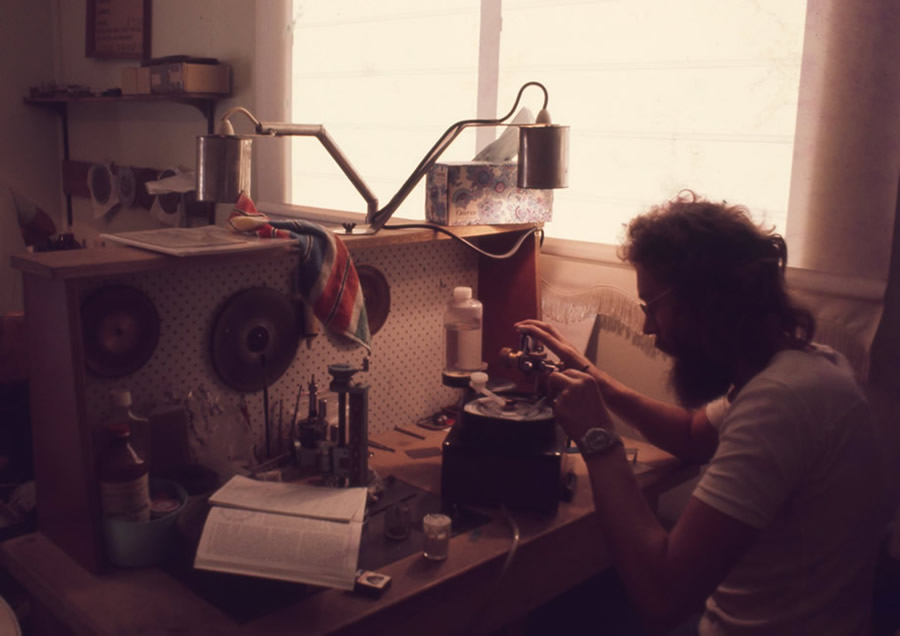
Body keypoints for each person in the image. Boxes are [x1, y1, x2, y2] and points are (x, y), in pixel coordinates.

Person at [516, 190, 886, 635]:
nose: (649, 327)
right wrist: (594, 377)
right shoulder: (806, 367)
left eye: (652, 307)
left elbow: (663, 596)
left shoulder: (782, 403)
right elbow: (693, 435)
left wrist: (597, 437)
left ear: (706, 301)